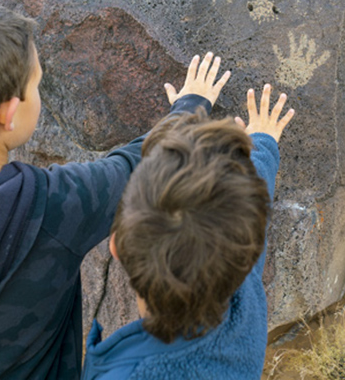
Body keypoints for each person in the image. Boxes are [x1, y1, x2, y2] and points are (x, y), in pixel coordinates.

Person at [0, 0, 231, 380]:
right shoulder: (57, 206)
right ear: (9, 114)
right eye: (37, 84)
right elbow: (137, 166)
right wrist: (191, 106)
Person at [82, 84, 294, 380]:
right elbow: (243, 218)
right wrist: (262, 144)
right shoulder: (244, 301)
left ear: (115, 245)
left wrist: (188, 109)